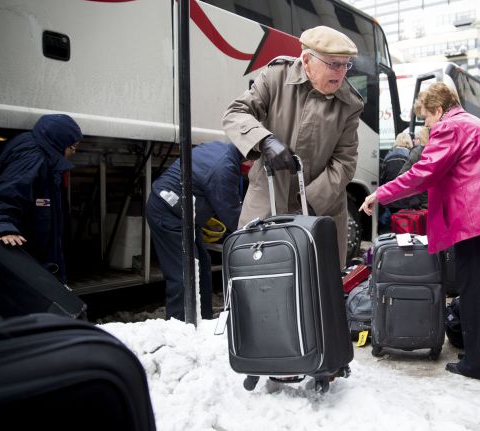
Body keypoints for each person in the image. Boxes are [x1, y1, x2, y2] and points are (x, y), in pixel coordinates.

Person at [360, 82, 480, 381]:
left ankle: (478, 363)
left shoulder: (450, 127)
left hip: (475, 219)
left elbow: (423, 173)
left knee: (473, 291)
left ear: (438, 109)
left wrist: (381, 193)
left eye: (427, 118)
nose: (428, 125)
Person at [222, 25, 364, 269]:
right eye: (333, 64)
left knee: (317, 290)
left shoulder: (350, 103)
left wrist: (307, 201)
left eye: (345, 64)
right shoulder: (276, 76)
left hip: (322, 209)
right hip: (266, 201)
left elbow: (345, 161)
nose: (341, 73)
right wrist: (264, 140)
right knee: (259, 279)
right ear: (307, 60)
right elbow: (236, 113)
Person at [146, 141, 250, 321]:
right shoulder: (223, 168)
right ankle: (180, 327)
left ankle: (203, 320)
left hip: (183, 215)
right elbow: (232, 215)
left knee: (201, 265)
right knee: (184, 275)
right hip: (168, 212)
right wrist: (253, 233)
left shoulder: (224, 150)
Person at [0, 114, 83, 284]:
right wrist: (1, 225)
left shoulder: (33, 147)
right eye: (73, 147)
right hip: (25, 254)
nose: (74, 152)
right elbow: (7, 191)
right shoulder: (34, 157)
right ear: (59, 142)